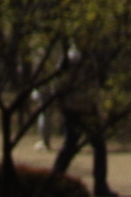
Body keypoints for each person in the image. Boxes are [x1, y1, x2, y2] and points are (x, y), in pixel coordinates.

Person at [52, 46, 117, 197]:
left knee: (98, 146)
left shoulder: (90, 57)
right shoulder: (72, 59)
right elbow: (59, 85)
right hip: (74, 109)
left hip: (88, 109)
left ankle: (100, 186)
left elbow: (93, 85)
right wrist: (63, 107)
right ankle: (53, 181)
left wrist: (95, 106)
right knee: (70, 146)